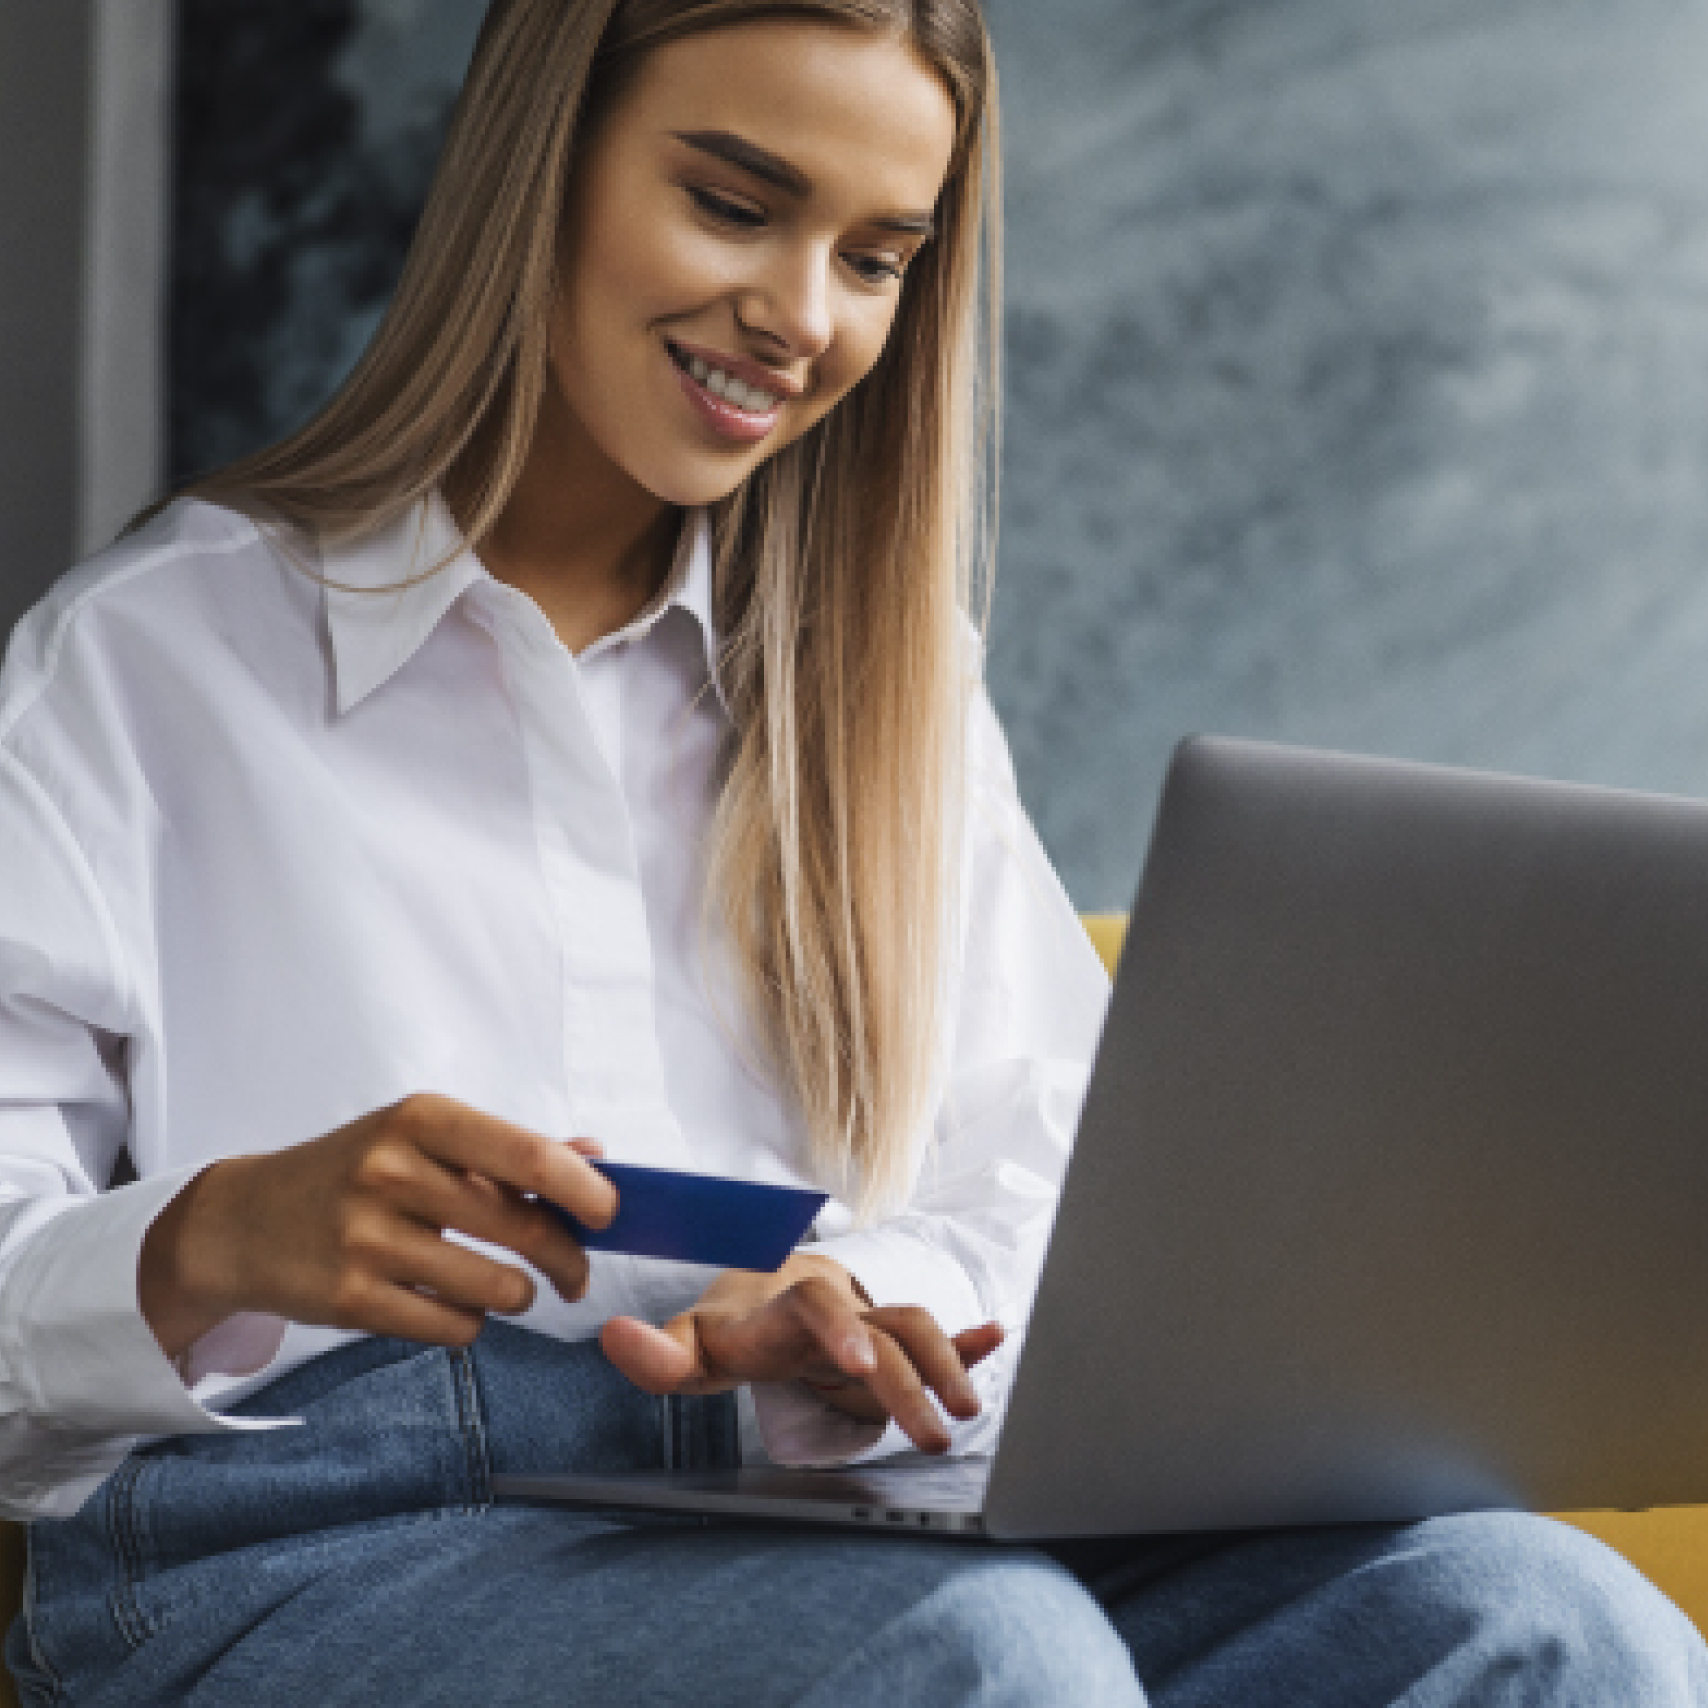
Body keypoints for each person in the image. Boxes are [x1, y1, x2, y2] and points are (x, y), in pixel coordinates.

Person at [0, 1, 1703, 1702]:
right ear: (542, 164)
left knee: (1549, 1619)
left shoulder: (890, 702)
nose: (801, 319)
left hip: (813, 1503)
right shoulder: (147, 663)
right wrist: (212, 1237)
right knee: (982, 1660)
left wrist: (853, 1294)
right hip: (315, 1540)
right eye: (735, 205)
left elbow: (1045, 1186)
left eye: (878, 257)